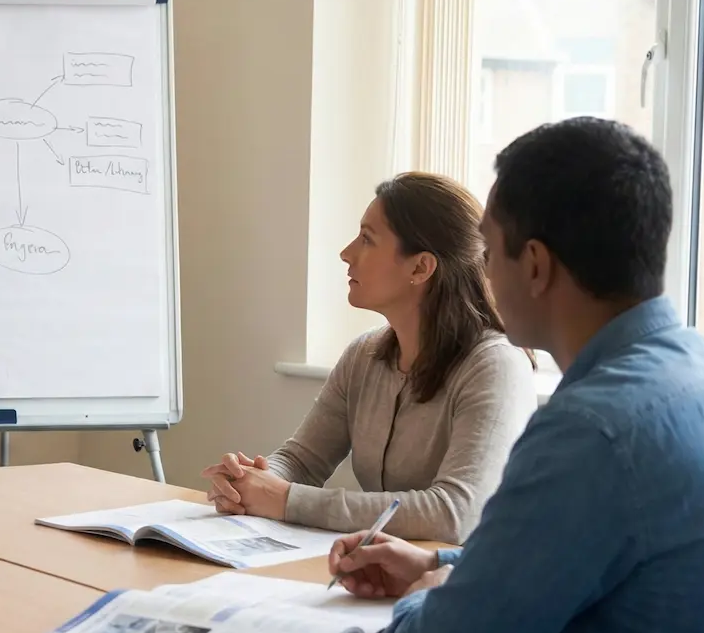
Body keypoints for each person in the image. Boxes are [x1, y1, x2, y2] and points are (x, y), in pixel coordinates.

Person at [327, 118, 704, 633]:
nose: (481, 272)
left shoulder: (590, 430)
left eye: (487, 251)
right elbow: (612, 556)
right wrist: (441, 561)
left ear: (534, 265)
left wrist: (428, 590)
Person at [202, 173, 536, 544]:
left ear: (420, 268)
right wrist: (249, 481)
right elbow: (301, 462)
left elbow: (456, 515)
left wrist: (284, 499)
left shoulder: (496, 366)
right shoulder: (364, 355)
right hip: (384, 568)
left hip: (470, 574)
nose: (346, 253)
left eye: (367, 239)